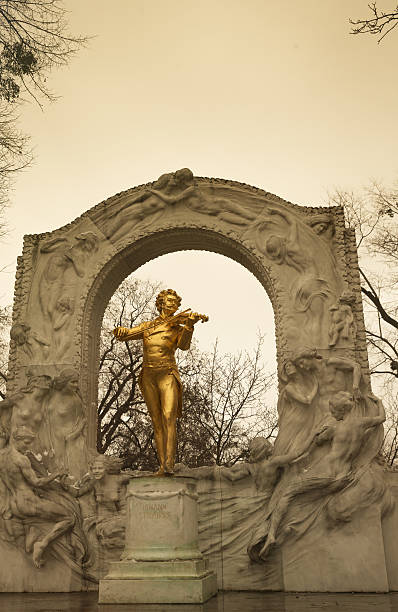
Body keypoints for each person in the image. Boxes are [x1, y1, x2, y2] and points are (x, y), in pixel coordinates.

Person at [256, 391, 385, 559]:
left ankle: (271, 534)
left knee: (288, 492)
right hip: (343, 477)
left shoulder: (334, 428)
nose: (332, 414)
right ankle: (293, 528)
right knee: (309, 501)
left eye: (333, 411)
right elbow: (381, 418)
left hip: (326, 472)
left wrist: (315, 433)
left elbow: (310, 446)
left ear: (339, 410)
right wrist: (378, 401)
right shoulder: (362, 423)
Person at [113, 289, 207, 475]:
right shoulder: (147, 326)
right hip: (148, 375)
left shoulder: (178, 327)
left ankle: (169, 465)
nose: (173, 305)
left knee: (168, 416)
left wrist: (189, 325)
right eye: (169, 301)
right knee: (156, 421)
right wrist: (121, 331)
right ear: (161, 303)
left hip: (167, 373)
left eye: (175, 302)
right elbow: (125, 335)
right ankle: (162, 465)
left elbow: (184, 346)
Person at [0, 426, 71, 568]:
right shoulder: (21, 459)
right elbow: (36, 482)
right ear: (16, 439)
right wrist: (56, 474)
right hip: (28, 502)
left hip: (14, 505)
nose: (27, 447)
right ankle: (42, 543)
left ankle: (32, 535)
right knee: (68, 518)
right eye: (26, 443)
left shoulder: (1, 456)